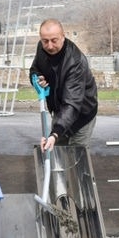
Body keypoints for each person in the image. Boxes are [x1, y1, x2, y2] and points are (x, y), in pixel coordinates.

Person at [30, 18, 98, 152]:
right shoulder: (41, 48)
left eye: (54, 40)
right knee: (57, 154)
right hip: (60, 111)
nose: (49, 46)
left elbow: (72, 104)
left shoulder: (76, 62)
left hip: (82, 114)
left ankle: (78, 172)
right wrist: (37, 78)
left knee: (77, 159)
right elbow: (34, 69)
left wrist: (55, 133)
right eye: (45, 41)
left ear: (63, 36)